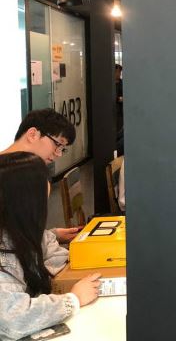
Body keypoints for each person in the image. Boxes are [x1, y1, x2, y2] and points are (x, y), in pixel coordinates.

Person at [0, 152, 101, 340]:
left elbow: (52, 254)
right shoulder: (5, 254)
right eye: (41, 204)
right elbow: (12, 319)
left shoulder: (20, 231)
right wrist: (72, 300)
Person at [0, 109, 80, 243]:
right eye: (57, 144)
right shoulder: (32, 179)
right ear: (32, 134)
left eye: (62, 149)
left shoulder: (33, 174)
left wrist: (52, 235)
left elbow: (19, 233)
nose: (58, 154)